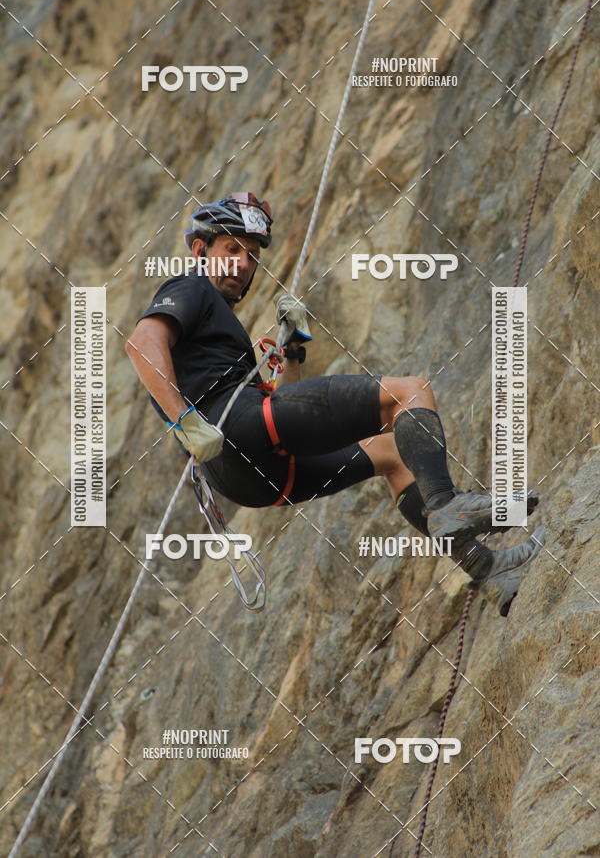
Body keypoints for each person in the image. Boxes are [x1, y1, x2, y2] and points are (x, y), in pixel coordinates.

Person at [125, 192, 544, 616]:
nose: (244, 263)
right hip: (233, 431)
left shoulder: (218, 318)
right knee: (409, 392)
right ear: (201, 249)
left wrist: (291, 350)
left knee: (397, 454)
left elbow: (285, 407)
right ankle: (445, 506)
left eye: (252, 255)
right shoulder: (190, 286)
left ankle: (488, 570)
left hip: (251, 478)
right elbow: (142, 345)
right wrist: (185, 420)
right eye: (232, 249)